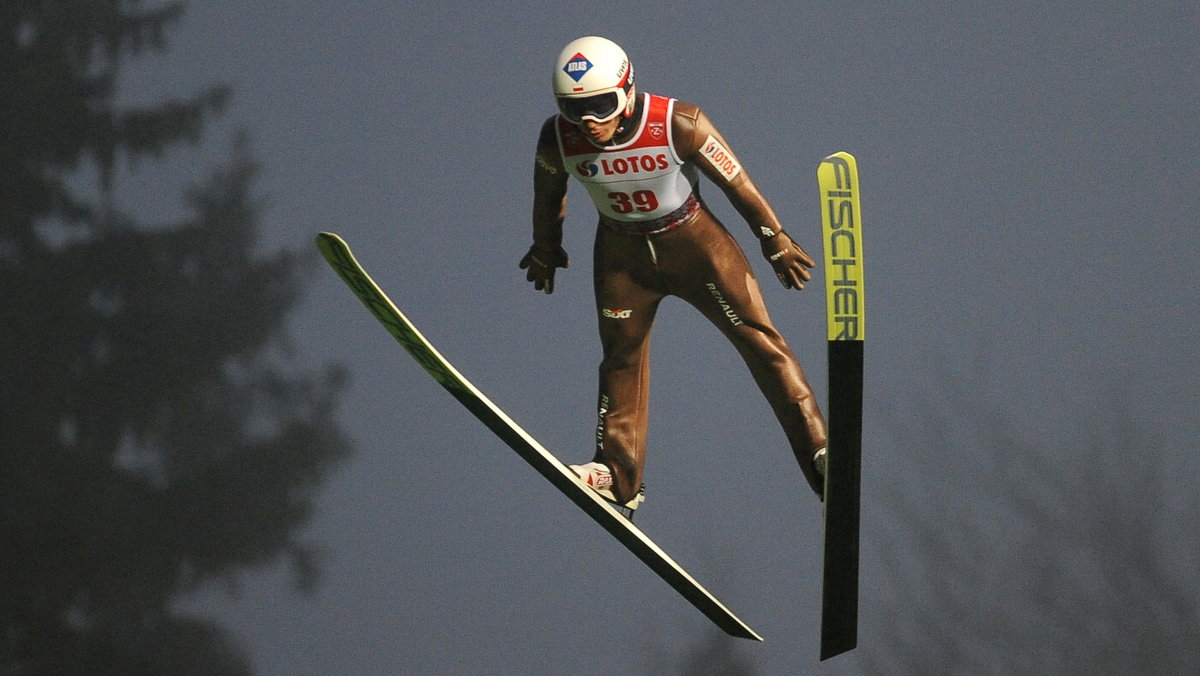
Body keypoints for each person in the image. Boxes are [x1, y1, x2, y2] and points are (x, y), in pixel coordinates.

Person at [521, 36, 827, 513]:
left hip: (694, 246)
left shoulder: (677, 121)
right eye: (573, 107)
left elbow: (737, 182)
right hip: (622, 259)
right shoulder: (557, 137)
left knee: (759, 341)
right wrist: (545, 246)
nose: (589, 121)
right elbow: (547, 192)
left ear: (627, 90)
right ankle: (617, 473)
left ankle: (819, 451)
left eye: (601, 105)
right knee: (620, 358)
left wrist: (774, 238)